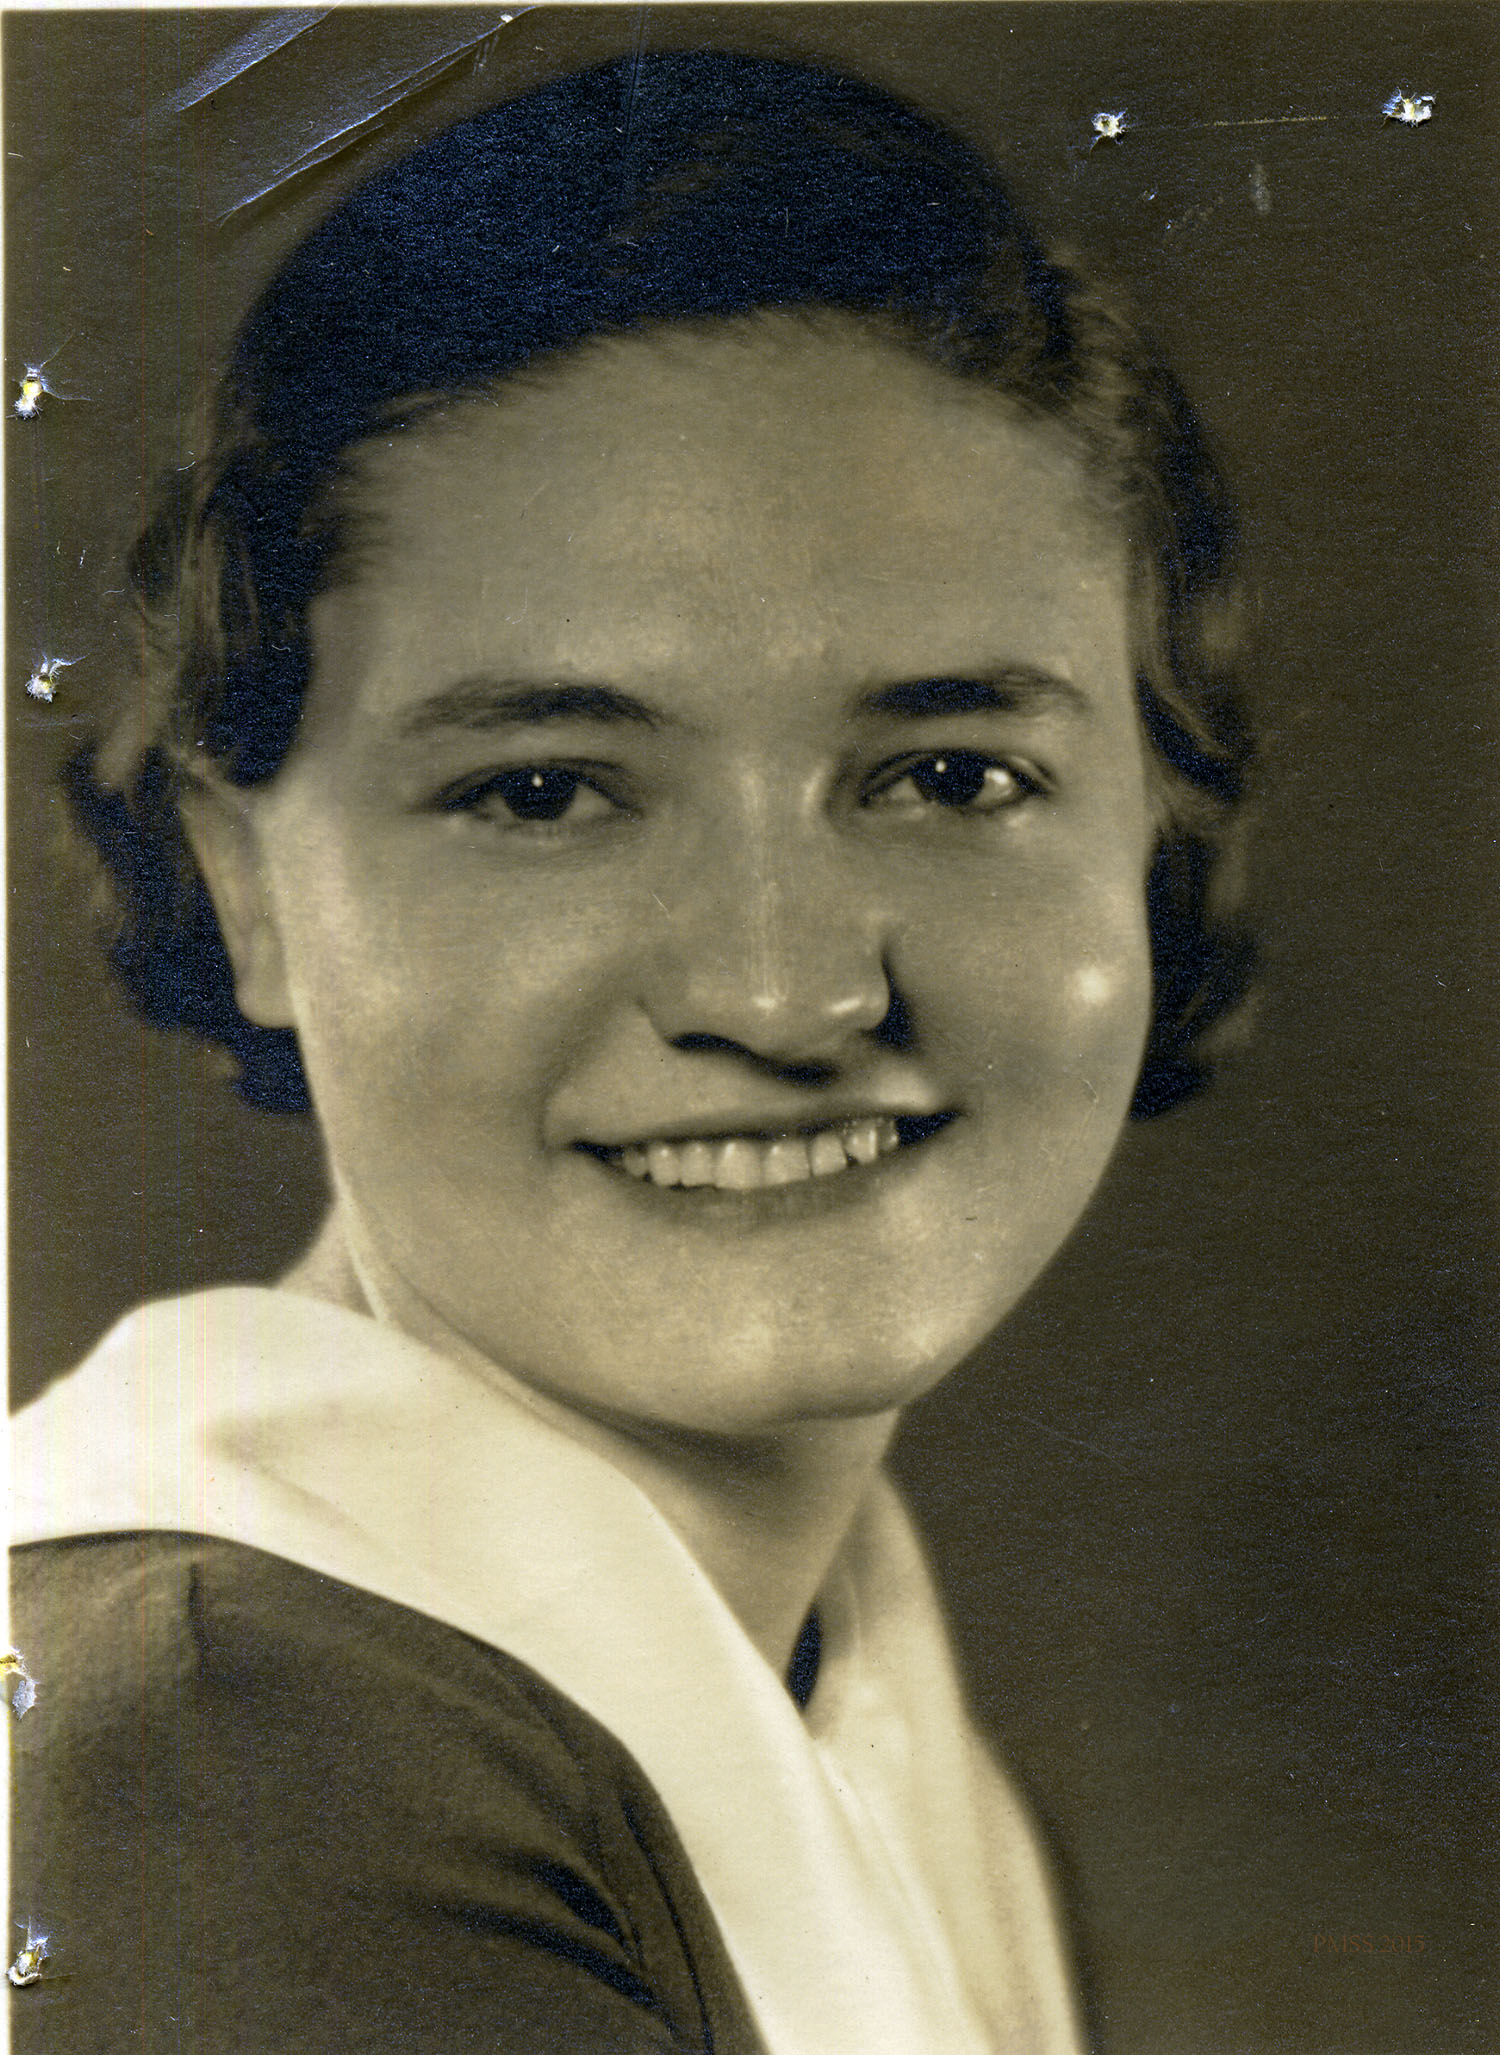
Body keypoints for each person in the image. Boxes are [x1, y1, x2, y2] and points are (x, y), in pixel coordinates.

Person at [10, 50, 1251, 2055]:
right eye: (545, 792)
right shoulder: (238, 1753)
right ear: (248, 892)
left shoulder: (854, 1702)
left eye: (948, 773)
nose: (786, 992)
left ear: (1154, 828)